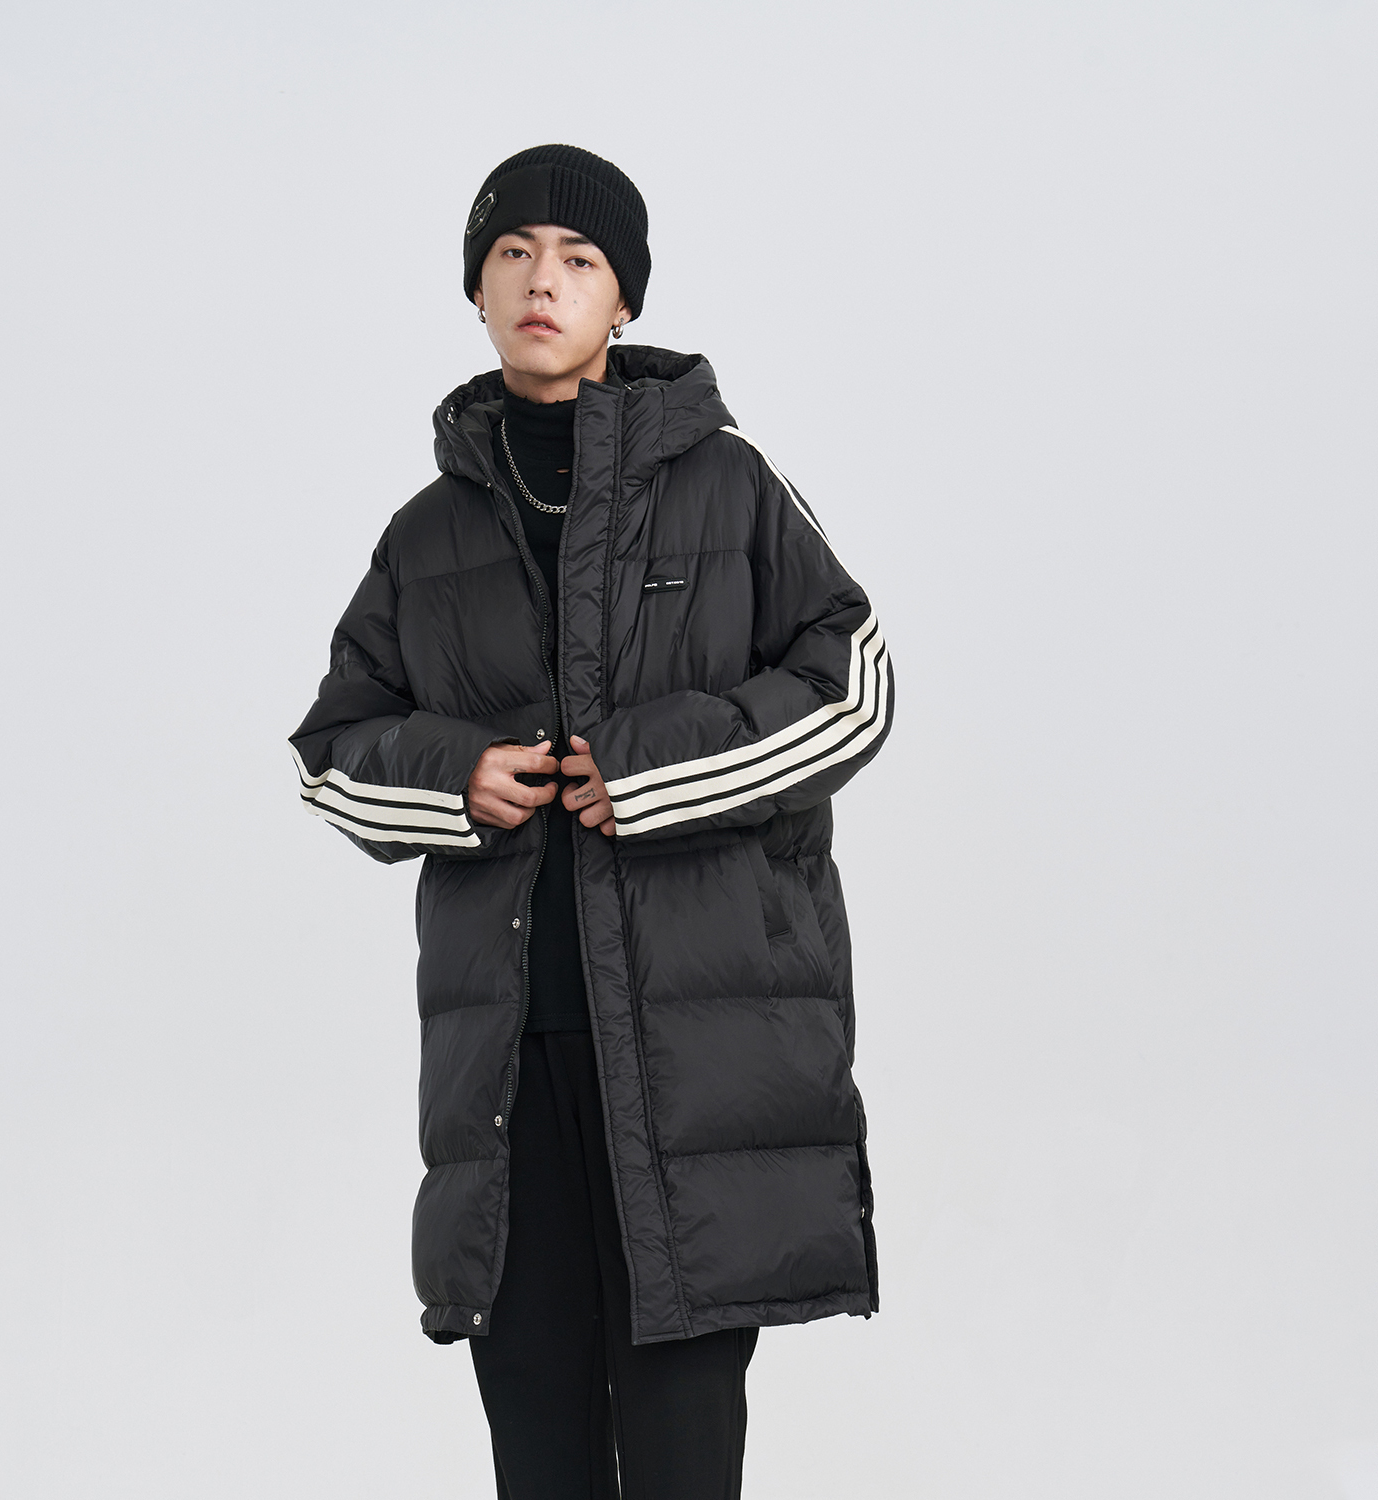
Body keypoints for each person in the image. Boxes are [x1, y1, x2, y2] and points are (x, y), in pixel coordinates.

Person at [289, 143, 895, 1500]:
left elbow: (857, 687)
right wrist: (455, 776)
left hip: (695, 1066)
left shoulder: (729, 484)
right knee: (540, 1457)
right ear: (478, 290)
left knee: (683, 1457)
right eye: (512, 255)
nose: (541, 281)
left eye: (578, 258)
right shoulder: (425, 537)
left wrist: (652, 775)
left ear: (625, 298)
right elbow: (331, 754)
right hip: (509, 1077)